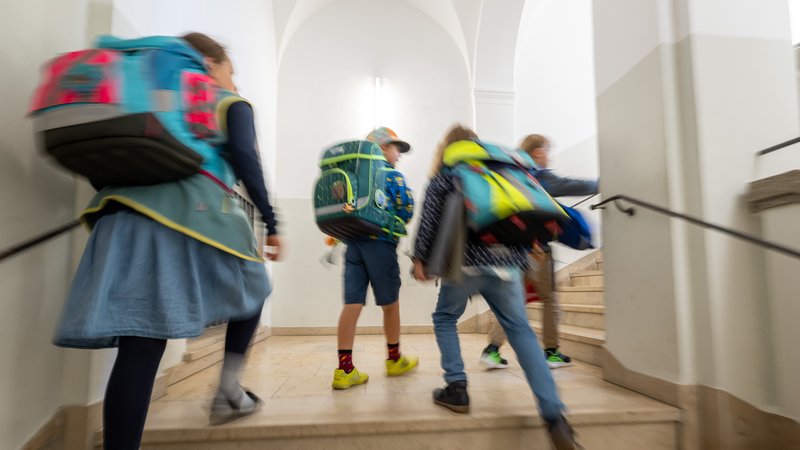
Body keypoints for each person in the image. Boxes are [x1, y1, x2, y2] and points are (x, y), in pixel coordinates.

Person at [52, 32, 281, 449]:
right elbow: (247, 161)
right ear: (209, 65)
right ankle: (229, 389)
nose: (237, 81)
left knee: (142, 343)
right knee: (255, 288)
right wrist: (273, 221)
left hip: (119, 219)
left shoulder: (140, 94)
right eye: (233, 71)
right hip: (180, 220)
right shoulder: (228, 103)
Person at [413, 125, 579, 449]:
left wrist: (421, 258)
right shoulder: (502, 171)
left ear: (447, 148)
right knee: (520, 330)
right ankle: (554, 415)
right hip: (509, 265)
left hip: (466, 262)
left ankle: (457, 387)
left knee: (445, 317)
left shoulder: (447, 174)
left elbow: (430, 218)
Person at [480, 133, 598, 370]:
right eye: (547, 151)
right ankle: (551, 352)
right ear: (538, 152)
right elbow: (571, 185)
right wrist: (601, 183)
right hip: (536, 250)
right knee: (549, 298)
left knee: (514, 301)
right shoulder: (538, 176)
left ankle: (492, 350)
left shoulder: (512, 175)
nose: (549, 157)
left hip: (512, 249)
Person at [331, 127, 419, 390]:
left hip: (353, 245)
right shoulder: (392, 176)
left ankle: (344, 369)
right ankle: (394, 360)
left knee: (351, 304)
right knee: (390, 304)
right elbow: (407, 209)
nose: (399, 156)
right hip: (381, 245)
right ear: (382, 148)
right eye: (396, 149)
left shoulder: (354, 177)